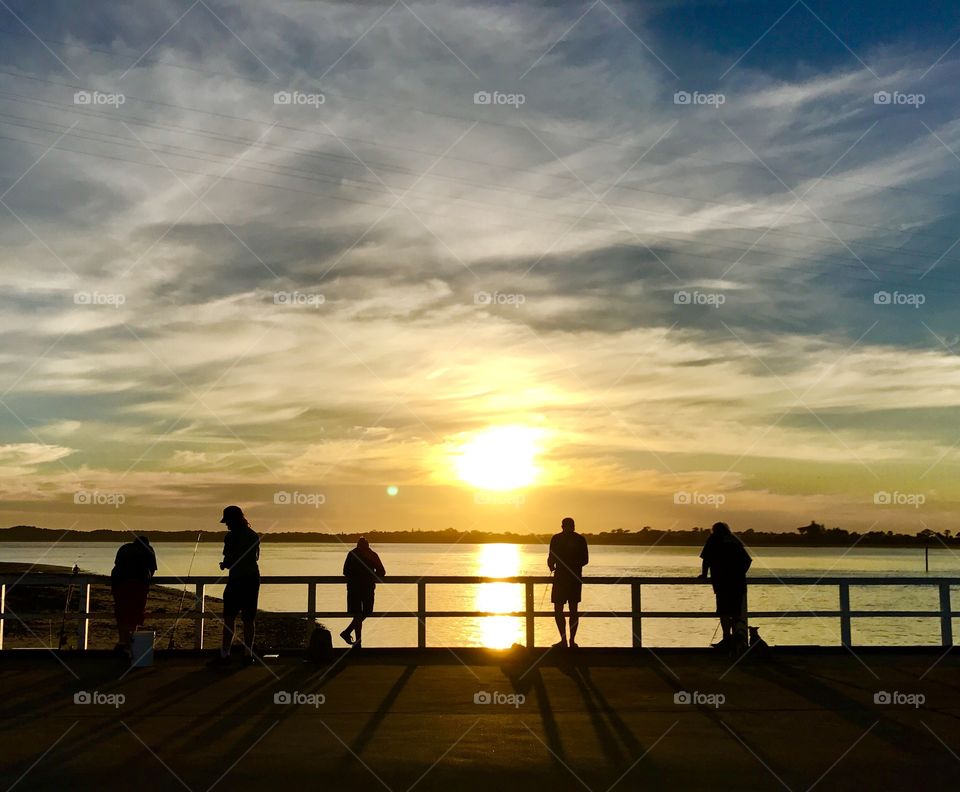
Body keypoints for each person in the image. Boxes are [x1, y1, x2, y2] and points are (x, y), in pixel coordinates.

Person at [210, 505, 260, 667]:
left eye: (227, 522)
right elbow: (256, 558)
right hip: (252, 579)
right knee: (249, 618)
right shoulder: (253, 536)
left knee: (229, 617)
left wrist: (224, 565)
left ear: (233, 520)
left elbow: (229, 559)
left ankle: (225, 654)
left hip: (237, 579)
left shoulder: (230, 537)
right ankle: (248, 654)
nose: (226, 525)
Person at [698, 521, 752, 652]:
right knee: (735, 613)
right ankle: (737, 640)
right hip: (738, 582)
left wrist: (704, 574)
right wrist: (739, 573)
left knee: (724, 612)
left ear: (714, 530)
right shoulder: (734, 540)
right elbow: (748, 560)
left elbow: (706, 559)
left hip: (722, 582)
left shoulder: (713, 539)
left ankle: (727, 639)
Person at [111, 535, 157, 657]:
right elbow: (152, 570)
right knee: (135, 612)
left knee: (122, 612)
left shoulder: (124, 548)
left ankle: (122, 642)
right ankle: (130, 642)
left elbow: (116, 564)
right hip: (137, 584)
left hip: (118, 583)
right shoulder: (148, 550)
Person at [548, 517, 589, 648]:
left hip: (560, 578)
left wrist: (553, 566)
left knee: (558, 609)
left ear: (562, 526)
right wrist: (573, 566)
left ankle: (564, 640)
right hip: (575, 578)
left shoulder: (556, 539)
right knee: (574, 609)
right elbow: (585, 560)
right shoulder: (580, 539)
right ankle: (571, 641)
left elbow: (550, 559)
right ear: (573, 526)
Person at [340, 537, 385, 648]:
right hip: (367, 587)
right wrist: (371, 574)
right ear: (368, 545)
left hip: (353, 588)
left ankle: (356, 641)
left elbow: (345, 571)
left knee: (357, 615)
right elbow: (382, 572)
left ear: (357, 545)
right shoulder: (372, 555)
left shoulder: (352, 554)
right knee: (366, 612)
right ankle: (352, 637)